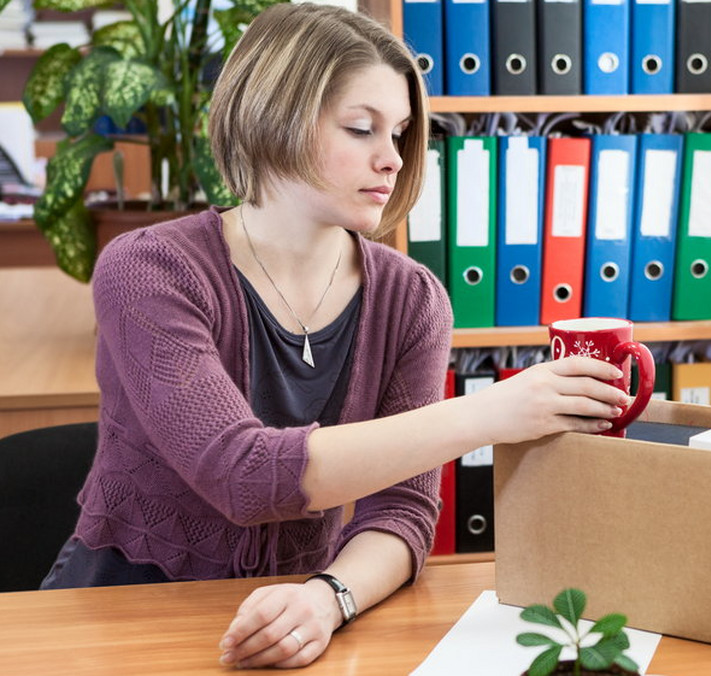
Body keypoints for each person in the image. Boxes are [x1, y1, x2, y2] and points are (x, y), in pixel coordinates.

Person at [38, 2, 629, 669]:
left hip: (299, 621)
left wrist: (328, 597)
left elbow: (402, 511)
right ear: (274, 117)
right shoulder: (148, 270)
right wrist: (492, 412)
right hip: (121, 618)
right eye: (360, 128)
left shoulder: (412, 299)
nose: (393, 159)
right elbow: (244, 476)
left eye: (402, 132)